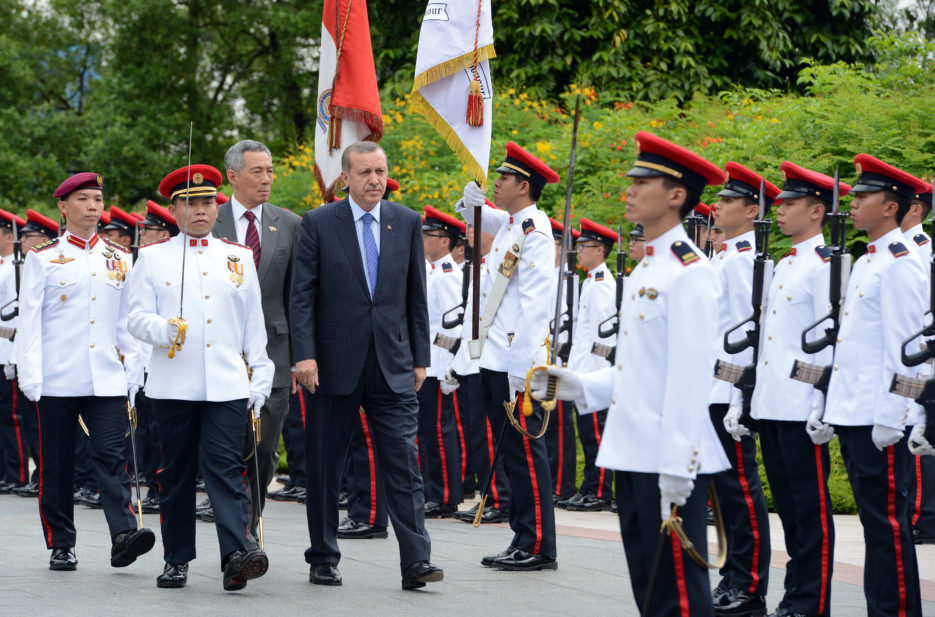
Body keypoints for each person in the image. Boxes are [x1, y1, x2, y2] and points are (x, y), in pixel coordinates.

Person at [532, 131, 730, 615]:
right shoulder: (646, 270)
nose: (630, 190)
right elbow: (639, 370)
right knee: (649, 590)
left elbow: (688, 380)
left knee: (679, 597)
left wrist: (679, 467)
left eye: (643, 183)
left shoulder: (690, 272)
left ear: (677, 196)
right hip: (633, 448)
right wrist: (582, 384)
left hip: (666, 455)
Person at [291, 141, 442, 590]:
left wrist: (421, 359)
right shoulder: (319, 222)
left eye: (381, 171)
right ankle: (323, 557)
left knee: (404, 464)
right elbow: (302, 295)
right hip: (332, 365)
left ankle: (417, 560)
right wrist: (304, 354)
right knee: (326, 467)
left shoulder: (406, 221)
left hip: (393, 365)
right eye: (365, 172)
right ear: (345, 178)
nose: (375, 180)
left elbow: (416, 296)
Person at [129, 163, 273, 590]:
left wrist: (260, 374)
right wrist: (162, 329)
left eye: (208, 202)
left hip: (226, 384)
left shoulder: (238, 256)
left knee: (226, 469)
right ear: (174, 209)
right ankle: (177, 559)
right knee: (176, 475)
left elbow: (253, 324)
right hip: (173, 384)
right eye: (190, 204)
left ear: (217, 207)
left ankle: (236, 556)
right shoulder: (153, 257)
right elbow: (135, 318)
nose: (200, 211)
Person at [18, 172, 153, 572]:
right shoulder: (43, 258)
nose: (93, 206)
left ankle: (123, 535)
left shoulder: (119, 257)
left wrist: (133, 369)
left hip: (106, 377)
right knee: (57, 464)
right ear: (63, 207)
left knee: (111, 456)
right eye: (83, 199)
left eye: (97, 199)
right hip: (56, 378)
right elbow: (30, 323)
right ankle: (61, 543)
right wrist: (31, 375)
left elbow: (125, 321)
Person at [739, 161, 847, 617]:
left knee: (810, 512)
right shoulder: (784, 264)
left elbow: (830, 341)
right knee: (788, 510)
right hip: (772, 404)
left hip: (802, 407)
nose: (779, 211)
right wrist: (748, 398)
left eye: (790, 204)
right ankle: (793, 598)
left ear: (817, 210)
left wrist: (821, 401)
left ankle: (810, 603)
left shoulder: (826, 266)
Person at [822, 154, 926, 617]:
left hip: (877, 418)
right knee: (874, 527)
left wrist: (894, 416)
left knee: (886, 528)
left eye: (864, 196)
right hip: (853, 412)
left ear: (890, 206)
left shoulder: (900, 264)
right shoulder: (869, 261)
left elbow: (907, 349)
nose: (853, 202)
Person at [457, 142, 559, 571]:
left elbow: (536, 307)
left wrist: (521, 372)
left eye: (503, 178)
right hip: (496, 358)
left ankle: (539, 545)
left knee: (526, 455)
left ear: (523, 186)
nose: (496, 183)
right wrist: (470, 199)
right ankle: (523, 537)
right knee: (512, 456)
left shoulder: (535, 232)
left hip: (519, 363)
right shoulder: (514, 223)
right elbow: (476, 214)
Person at [213, 139, 301, 548]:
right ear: (233, 176)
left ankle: (251, 520)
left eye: (270, 171)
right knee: (227, 448)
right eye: (257, 172)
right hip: (221, 352)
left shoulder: (290, 224)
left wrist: (300, 358)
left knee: (264, 449)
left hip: (274, 354)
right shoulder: (210, 221)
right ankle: (239, 534)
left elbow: (298, 296)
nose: (266, 179)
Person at [708, 162, 776, 616]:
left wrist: (739, 397)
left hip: (727, 390)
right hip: (710, 387)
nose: (719, 206)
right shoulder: (724, 257)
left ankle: (749, 586)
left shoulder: (745, 260)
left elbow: (749, 334)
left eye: (730, 200)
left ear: (753, 211)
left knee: (740, 491)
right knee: (724, 494)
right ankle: (732, 576)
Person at [562, 217, 617, 512]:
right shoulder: (590, 283)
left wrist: (594, 377)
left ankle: (599, 491)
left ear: (600, 250)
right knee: (587, 434)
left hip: (594, 372)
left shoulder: (603, 285)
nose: (579, 250)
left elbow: (602, 338)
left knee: (596, 435)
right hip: (583, 371)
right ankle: (589, 487)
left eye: (585, 246)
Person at [419, 205, 466, 517]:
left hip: (439, 366)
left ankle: (445, 496)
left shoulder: (448, 276)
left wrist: (451, 366)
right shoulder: (435, 272)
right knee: (427, 432)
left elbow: (455, 328)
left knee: (438, 432)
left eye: (429, 235)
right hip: (429, 364)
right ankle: (432, 491)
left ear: (445, 241)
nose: (423, 240)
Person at [901, 183, 935, 546]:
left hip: (922, 357)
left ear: (915, 209)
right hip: (907, 355)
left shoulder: (921, 249)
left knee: (918, 431)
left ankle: (924, 516)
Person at [0, 209, 26, 494]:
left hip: (7, 350)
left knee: (12, 418)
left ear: (10, 236)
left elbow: (14, 317)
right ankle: (5, 471)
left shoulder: (15, 269)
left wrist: (11, 356)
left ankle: (16, 473)